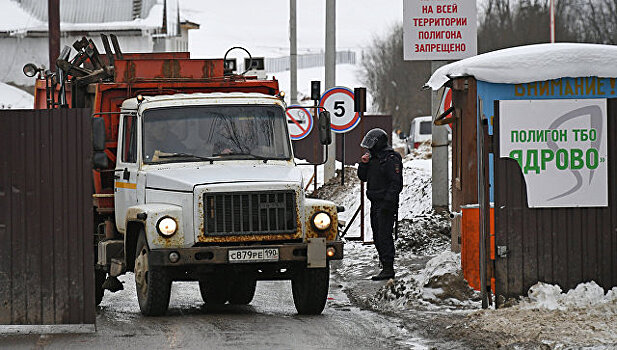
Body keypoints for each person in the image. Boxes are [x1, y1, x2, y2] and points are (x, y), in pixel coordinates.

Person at [357, 128, 403, 280]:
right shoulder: (373, 158)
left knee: (384, 236)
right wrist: (363, 164)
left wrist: (387, 203)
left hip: (386, 204)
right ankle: (384, 264)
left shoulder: (390, 158)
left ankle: (388, 268)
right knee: (377, 235)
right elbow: (363, 177)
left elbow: (396, 183)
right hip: (375, 202)